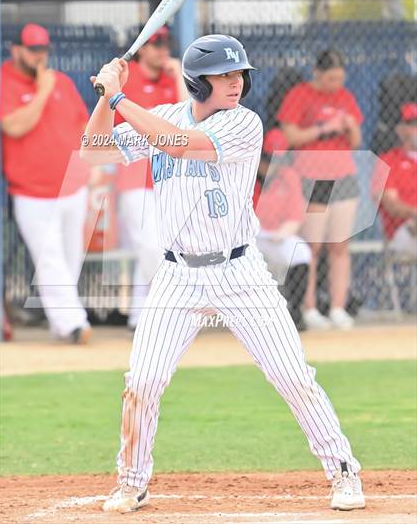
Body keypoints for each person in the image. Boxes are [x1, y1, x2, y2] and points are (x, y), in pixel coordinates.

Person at [81, 35, 365, 513]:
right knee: (143, 381)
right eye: (224, 75)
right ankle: (131, 481)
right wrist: (105, 103)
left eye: (239, 74)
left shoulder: (243, 124)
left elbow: (181, 144)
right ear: (197, 81)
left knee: (292, 375)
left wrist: (120, 98)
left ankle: (342, 470)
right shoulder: (164, 114)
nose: (236, 83)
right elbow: (94, 152)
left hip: (239, 271)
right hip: (176, 276)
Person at [0, 23, 92, 344]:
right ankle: (74, 324)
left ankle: (61, 324)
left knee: (71, 259)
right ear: (17, 50)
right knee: (50, 259)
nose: (39, 56)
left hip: (72, 186)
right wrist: (41, 91)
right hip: (32, 192)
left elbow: (83, 126)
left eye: (43, 50)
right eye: (33, 50)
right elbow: (13, 126)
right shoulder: (5, 81)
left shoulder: (63, 82)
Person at [278, 50, 364, 331]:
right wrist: (325, 128)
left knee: (340, 245)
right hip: (314, 177)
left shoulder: (345, 97)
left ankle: (338, 307)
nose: (335, 84)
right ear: (317, 73)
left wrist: (348, 126)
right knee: (311, 246)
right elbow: (291, 136)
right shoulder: (299, 95)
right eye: (330, 78)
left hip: (343, 175)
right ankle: (310, 307)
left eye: (339, 78)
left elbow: (355, 140)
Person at [115, 26, 188, 330]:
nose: (162, 50)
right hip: (134, 177)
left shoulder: (172, 80)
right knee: (149, 247)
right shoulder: (127, 76)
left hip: (167, 179)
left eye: (166, 44)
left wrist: (180, 77)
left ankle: (139, 316)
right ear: (142, 48)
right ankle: (167, 312)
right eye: (155, 43)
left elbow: (189, 117)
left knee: (162, 246)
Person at [254, 127, 311, 331]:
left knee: (301, 251)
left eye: (276, 160)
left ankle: (295, 310)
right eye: (267, 159)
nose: (271, 165)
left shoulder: (288, 176)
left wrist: (285, 232)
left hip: (276, 236)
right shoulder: (244, 174)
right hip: (245, 237)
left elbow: (295, 216)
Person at [372, 102, 417, 257]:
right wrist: (414, 213)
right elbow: (391, 204)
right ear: (399, 130)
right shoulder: (388, 161)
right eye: (413, 124)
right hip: (404, 230)